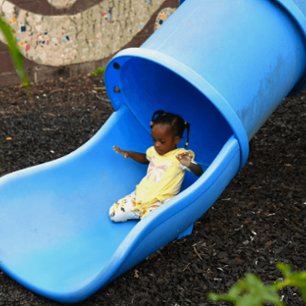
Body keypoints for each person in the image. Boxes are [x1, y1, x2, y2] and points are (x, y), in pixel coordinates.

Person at [109, 110, 203, 222]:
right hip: (141, 194)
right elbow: (145, 159)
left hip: (161, 201)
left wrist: (189, 164)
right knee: (113, 214)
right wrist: (130, 153)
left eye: (162, 141)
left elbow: (199, 172)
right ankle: (137, 211)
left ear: (176, 140)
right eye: (154, 140)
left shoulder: (180, 155)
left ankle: (147, 215)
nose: (157, 144)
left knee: (149, 223)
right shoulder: (154, 151)